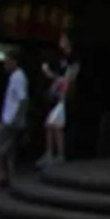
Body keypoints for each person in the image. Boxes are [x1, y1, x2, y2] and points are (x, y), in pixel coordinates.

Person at [0, 49, 31, 188]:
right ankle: (11, 176)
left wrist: (16, 118)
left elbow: (23, 99)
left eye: (7, 62)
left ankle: (2, 173)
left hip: (9, 119)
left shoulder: (18, 77)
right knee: (9, 149)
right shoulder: (16, 77)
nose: (5, 65)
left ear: (14, 62)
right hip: (10, 117)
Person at [40, 33, 77, 169]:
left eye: (64, 40)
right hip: (57, 95)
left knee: (57, 126)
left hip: (63, 97)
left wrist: (64, 90)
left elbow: (69, 77)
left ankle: (60, 155)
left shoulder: (72, 59)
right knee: (49, 124)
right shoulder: (59, 58)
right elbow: (56, 76)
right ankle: (50, 153)